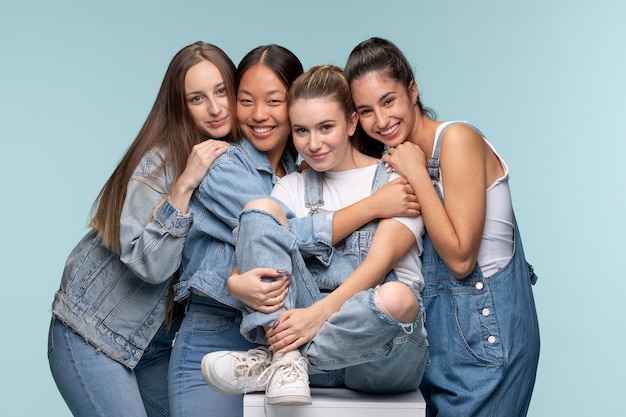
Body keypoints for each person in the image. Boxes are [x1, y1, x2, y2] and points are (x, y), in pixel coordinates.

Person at [168, 48, 419, 417]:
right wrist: (236, 280)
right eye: (302, 130)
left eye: (326, 128)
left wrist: (315, 317)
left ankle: (277, 359)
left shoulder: (393, 180)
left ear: (351, 123)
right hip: (303, 355)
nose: (313, 143)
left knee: (398, 298)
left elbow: (377, 267)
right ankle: (286, 360)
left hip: (382, 354)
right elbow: (259, 241)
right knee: (259, 209)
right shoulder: (290, 186)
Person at [345, 37, 540, 417]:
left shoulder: (457, 140)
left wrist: (418, 175)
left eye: (388, 100)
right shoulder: (395, 161)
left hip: (488, 339)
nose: (381, 121)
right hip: (437, 348)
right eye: (366, 111)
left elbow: (462, 258)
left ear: (412, 90)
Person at [48, 41, 234, 417]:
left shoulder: (236, 165)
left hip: (154, 346)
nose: (215, 108)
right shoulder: (162, 162)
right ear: (181, 105)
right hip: (91, 335)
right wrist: (183, 186)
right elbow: (151, 267)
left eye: (221, 91)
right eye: (197, 98)